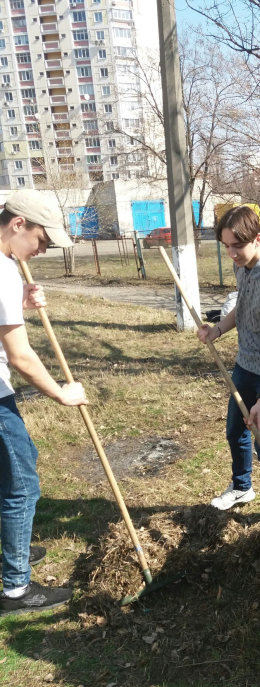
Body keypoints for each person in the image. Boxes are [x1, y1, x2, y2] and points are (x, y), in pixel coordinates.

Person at [0, 190, 88, 616]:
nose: (42, 250)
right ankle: (16, 588)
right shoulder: (2, 271)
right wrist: (61, 393)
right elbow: (19, 356)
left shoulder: (6, 270)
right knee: (22, 484)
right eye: (41, 240)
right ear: (18, 224)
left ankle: (13, 547)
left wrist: (19, 303)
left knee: (19, 463)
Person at [197, 206, 260, 527]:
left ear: (257, 239)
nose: (231, 253)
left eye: (237, 246)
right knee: (234, 430)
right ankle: (242, 487)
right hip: (246, 362)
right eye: (226, 246)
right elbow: (241, 308)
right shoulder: (243, 267)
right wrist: (216, 330)